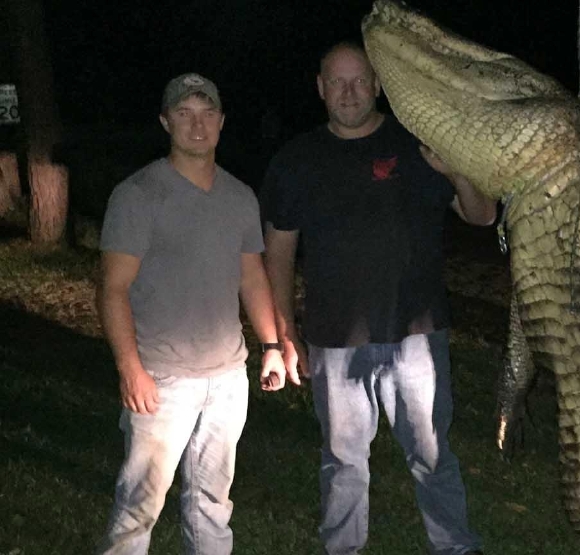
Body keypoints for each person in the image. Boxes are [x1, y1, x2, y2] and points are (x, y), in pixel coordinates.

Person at [262, 42, 495, 555]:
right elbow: (278, 252)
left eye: (359, 81)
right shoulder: (296, 160)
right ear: (320, 88)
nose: (349, 92)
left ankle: (455, 545)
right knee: (343, 459)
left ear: (378, 85)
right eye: (337, 82)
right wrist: (285, 331)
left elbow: (483, 215)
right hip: (334, 337)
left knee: (432, 452)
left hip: (417, 335)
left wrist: (455, 168)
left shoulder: (417, 145)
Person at [96, 73, 300, 555]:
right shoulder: (137, 195)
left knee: (212, 503)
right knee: (139, 506)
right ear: (165, 121)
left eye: (207, 113)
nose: (197, 124)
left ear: (222, 121)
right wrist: (131, 370)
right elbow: (111, 289)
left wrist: (271, 346)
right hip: (162, 379)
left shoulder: (239, 196)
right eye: (184, 113)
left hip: (227, 380)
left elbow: (252, 277)